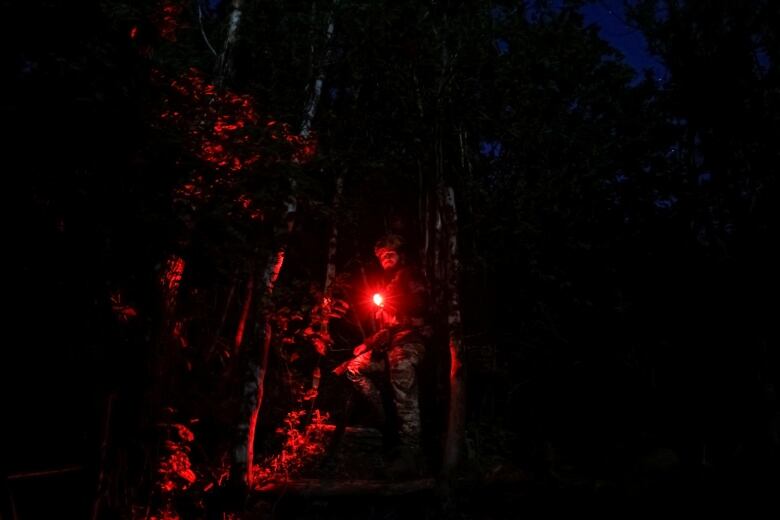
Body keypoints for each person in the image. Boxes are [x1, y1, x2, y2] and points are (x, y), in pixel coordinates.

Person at [340, 234, 429, 476]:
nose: (386, 258)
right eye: (382, 256)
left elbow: (421, 311)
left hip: (410, 342)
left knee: (401, 369)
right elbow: (384, 328)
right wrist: (367, 343)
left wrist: (399, 312)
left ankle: (411, 450)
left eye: (391, 253)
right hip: (388, 347)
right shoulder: (386, 285)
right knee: (354, 367)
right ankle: (388, 420)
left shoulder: (410, 275)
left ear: (400, 255)